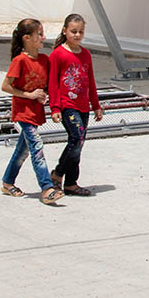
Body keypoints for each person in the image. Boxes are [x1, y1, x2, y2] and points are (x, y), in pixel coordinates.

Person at [0, 18, 63, 206]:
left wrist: (47, 97)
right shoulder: (19, 61)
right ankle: (46, 188)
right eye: (40, 34)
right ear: (27, 38)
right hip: (23, 112)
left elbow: (49, 84)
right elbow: (6, 86)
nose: (43, 37)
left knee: (23, 149)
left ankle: (7, 182)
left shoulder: (44, 60)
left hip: (36, 112)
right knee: (36, 147)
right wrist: (29, 95)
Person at [47, 13, 103, 197]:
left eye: (81, 32)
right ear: (65, 31)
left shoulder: (86, 54)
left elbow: (91, 81)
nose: (77, 35)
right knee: (77, 138)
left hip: (83, 106)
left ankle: (71, 183)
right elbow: (52, 83)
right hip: (67, 105)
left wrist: (96, 105)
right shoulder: (58, 54)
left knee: (78, 143)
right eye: (73, 31)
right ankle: (58, 173)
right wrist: (55, 107)